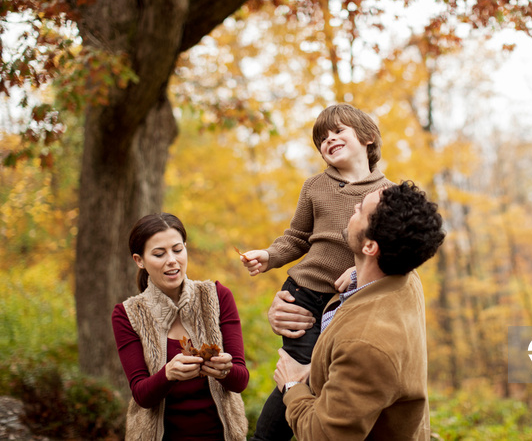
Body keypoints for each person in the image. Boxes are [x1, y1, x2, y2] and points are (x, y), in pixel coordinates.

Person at [241, 103, 393, 440]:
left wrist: (358, 274)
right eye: (322, 138)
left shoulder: (389, 195)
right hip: (304, 293)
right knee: (302, 374)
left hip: (352, 301)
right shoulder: (314, 186)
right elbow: (296, 237)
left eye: (338, 131)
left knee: (331, 379)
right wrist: (268, 256)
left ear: (368, 138)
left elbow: (391, 254)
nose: (329, 140)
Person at [273, 181, 445, 440]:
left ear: (370, 247)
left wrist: (293, 387)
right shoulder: (407, 278)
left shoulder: (366, 343)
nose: (354, 206)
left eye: (361, 210)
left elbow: (324, 435)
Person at [111, 213, 249, 441]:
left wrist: (225, 370)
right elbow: (141, 394)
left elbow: (240, 380)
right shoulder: (128, 314)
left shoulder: (217, 296)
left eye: (177, 249)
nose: (172, 260)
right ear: (139, 260)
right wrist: (168, 374)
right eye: (159, 254)